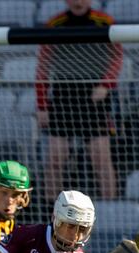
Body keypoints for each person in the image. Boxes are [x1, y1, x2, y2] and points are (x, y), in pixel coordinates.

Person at [36, 0, 123, 201]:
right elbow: (42, 67)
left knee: (101, 159)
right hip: (63, 99)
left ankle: (110, 213)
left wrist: (105, 85)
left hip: (95, 100)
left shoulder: (104, 22)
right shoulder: (54, 24)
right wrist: (41, 105)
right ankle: (53, 219)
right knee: (54, 161)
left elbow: (117, 57)